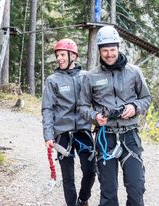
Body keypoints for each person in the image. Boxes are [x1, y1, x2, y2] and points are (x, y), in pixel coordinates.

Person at [78, 26, 151, 206]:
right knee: (108, 192)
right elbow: (82, 106)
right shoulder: (91, 76)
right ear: (100, 51)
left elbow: (146, 98)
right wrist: (95, 116)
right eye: (105, 50)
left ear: (118, 48)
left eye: (112, 49)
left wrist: (135, 107)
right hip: (105, 138)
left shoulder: (134, 72)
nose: (109, 54)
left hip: (130, 135)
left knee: (136, 188)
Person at [42, 38, 96, 206]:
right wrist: (48, 135)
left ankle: (83, 199)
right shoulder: (53, 80)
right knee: (68, 177)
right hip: (62, 134)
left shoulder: (86, 77)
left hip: (83, 131)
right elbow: (47, 109)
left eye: (62, 54)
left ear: (73, 56)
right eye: (57, 55)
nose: (59, 58)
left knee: (90, 170)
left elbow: (96, 102)